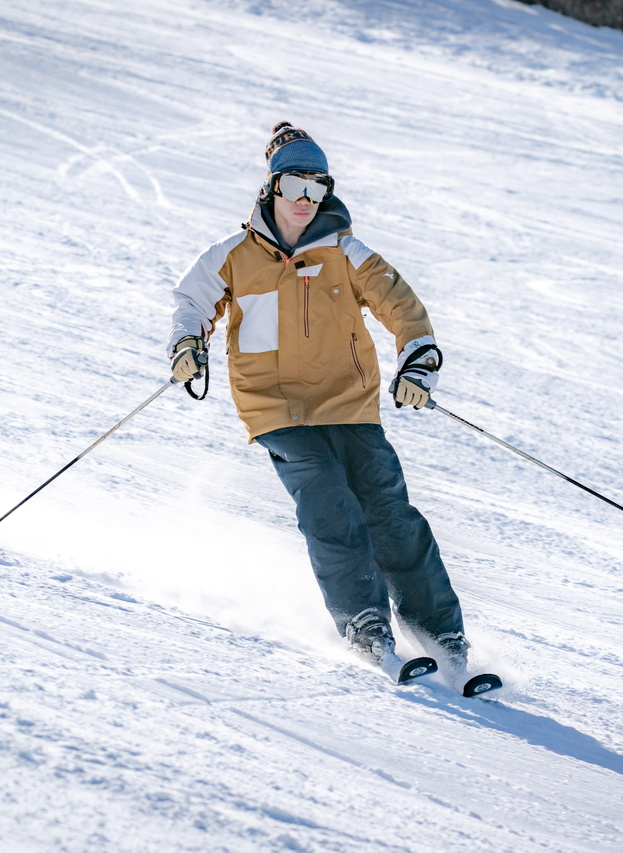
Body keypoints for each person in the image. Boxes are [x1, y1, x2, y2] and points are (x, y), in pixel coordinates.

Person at [166, 121, 470, 669]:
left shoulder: (345, 251)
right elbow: (192, 301)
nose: (306, 200)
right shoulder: (232, 255)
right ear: (271, 188)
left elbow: (403, 308)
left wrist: (417, 362)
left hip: (349, 402)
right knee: (329, 504)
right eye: (294, 186)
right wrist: (188, 342)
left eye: (318, 187)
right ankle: (364, 619)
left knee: (390, 514)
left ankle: (439, 631)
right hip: (275, 407)